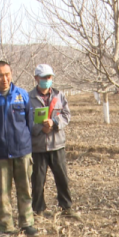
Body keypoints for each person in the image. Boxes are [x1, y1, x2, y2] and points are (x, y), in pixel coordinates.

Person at [0, 61, 38, 237]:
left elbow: (30, 122)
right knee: (3, 191)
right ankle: (5, 225)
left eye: (7, 74)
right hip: (0, 153)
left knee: (25, 188)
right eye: (0, 75)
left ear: (11, 74)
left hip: (22, 150)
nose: (4, 79)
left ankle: (27, 222)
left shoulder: (22, 95)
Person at [28, 64, 80, 220]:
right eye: (43, 78)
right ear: (36, 78)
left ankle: (66, 207)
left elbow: (66, 115)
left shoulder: (59, 96)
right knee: (37, 180)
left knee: (62, 177)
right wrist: (39, 129)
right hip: (38, 146)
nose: (47, 80)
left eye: (49, 77)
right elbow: (25, 120)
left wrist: (54, 123)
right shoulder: (28, 98)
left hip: (57, 144)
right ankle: (38, 209)